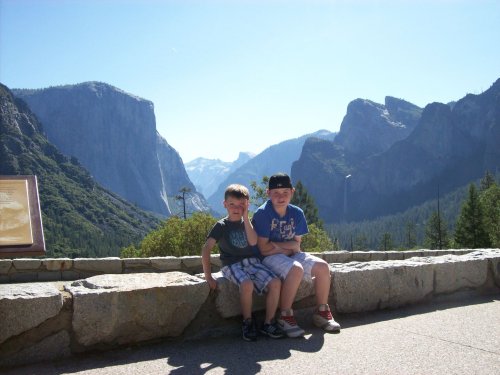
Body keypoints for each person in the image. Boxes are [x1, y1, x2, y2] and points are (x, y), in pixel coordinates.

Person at [252, 173, 341, 337]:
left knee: (322, 267)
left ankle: (321, 312)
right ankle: (285, 316)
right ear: (268, 193)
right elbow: (263, 249)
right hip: (267, 259)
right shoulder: (262, 214)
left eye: (285, 192)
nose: (281, 197)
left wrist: (279, 246)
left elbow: (297, 244)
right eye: (276, 193)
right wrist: (287, 248)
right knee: (296, 269)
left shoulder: (297, 213)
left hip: (287, 254)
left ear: (292, 192)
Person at [202, 184, 284, 341]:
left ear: (246, 205)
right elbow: (206, 249)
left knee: (275, 282)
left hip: (252, 262)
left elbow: (253, 242)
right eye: (232, 204)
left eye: (241, 205)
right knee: (247, 285)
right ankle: (247, 322)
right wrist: (208, 277)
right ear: (225, 204)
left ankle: (268, 322)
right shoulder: (221, 226)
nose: (236, 208)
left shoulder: (247, 223)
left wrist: (246, 218)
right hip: (231, 265)